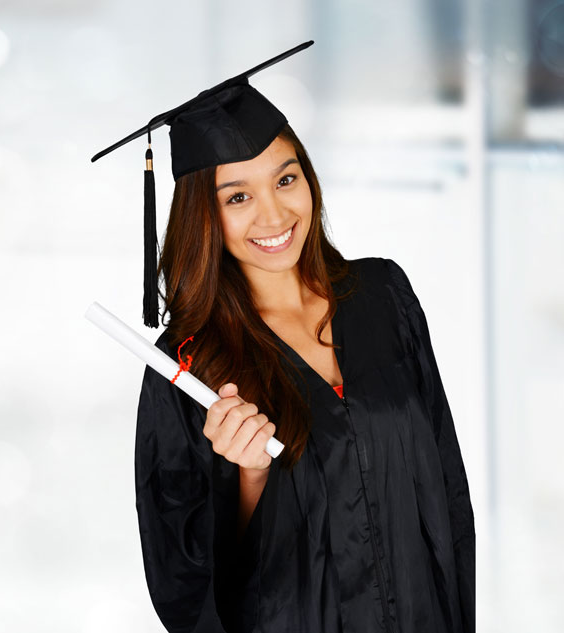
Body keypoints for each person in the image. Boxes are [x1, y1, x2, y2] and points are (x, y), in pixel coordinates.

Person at [92, 41, 475, 633]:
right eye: (238, 196)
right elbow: (183, 582)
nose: (273, 216)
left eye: (286, 178)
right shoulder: (188, 367)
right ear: (206, 218)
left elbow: (446, 489)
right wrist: (248, 476)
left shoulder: (383, 295)